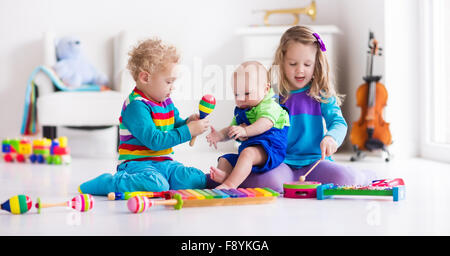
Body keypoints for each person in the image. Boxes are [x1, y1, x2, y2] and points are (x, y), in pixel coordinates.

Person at [211, 26, 375, 192]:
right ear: (282, 61)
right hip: (281, 162)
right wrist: (241, 133)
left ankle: (364, 176)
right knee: (268, 183)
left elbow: (338, 122)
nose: (300, 70)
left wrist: (332, 138)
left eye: (307, 64)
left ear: (316, 64)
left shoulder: (321, 94)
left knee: (345, 179)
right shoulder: (271, 96)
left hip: (315, 162)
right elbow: (251, 125)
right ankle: (227, 179)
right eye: (292, 63)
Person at [79, 38, 210, 195]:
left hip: (165, 163)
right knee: (157, 185)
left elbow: (176, 125)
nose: (172, 87)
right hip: (137, 165)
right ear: (145, 78)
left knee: (195, 179)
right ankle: (109, 183)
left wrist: (188, 123)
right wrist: (188, 131)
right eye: (169, 81)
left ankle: (219, 178)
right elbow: (155, 141)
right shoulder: (136, 106)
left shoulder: (165, 101)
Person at [206, 61, 290, 189]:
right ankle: (225, 177)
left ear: (265, 89)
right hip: (250, 150)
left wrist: (245, 131)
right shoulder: (242, 111)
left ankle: (230, 184)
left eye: (246, 93)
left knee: (247, 154)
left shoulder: (269, 105)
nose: (240, 99)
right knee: (224, 160)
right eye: (236, 94)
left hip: (271, 149)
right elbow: (231, 130)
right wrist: (219, 135)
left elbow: (265, 123)